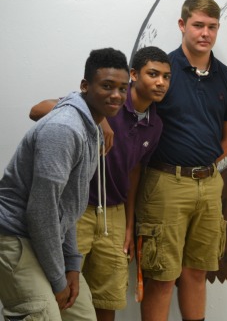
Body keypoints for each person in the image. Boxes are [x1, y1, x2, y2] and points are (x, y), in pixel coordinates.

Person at [29, 46, 172, 321]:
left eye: (166, 76)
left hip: (115, 216)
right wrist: (97, 119)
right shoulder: (106, 102)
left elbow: (134, 172)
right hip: (79, 210)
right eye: (153, 74)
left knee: (109, 296)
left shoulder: (155, 125)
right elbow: (37, 111)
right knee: (63, 292)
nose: (160, 82)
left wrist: (129, 225)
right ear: (133, 75)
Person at [136, 0, 227, 321]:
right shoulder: (161, 73)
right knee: (162, 276)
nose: (205, 33)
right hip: (166, 183)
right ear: (183, 25)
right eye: (198, 25)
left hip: (209, 185)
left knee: (197, 272)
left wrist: (209, 165)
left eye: (212, 27)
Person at [0, 48, 130, 320]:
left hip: (45, 237)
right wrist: (59, 280)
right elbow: (42, 211)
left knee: (82, 315)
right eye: (107, 86)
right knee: (43, 315)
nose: (116, 95)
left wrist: (72, 265)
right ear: (85, 86)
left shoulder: (90, 129)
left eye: (122, 88)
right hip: (15, 237)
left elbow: (68, 206)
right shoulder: (64, 129)